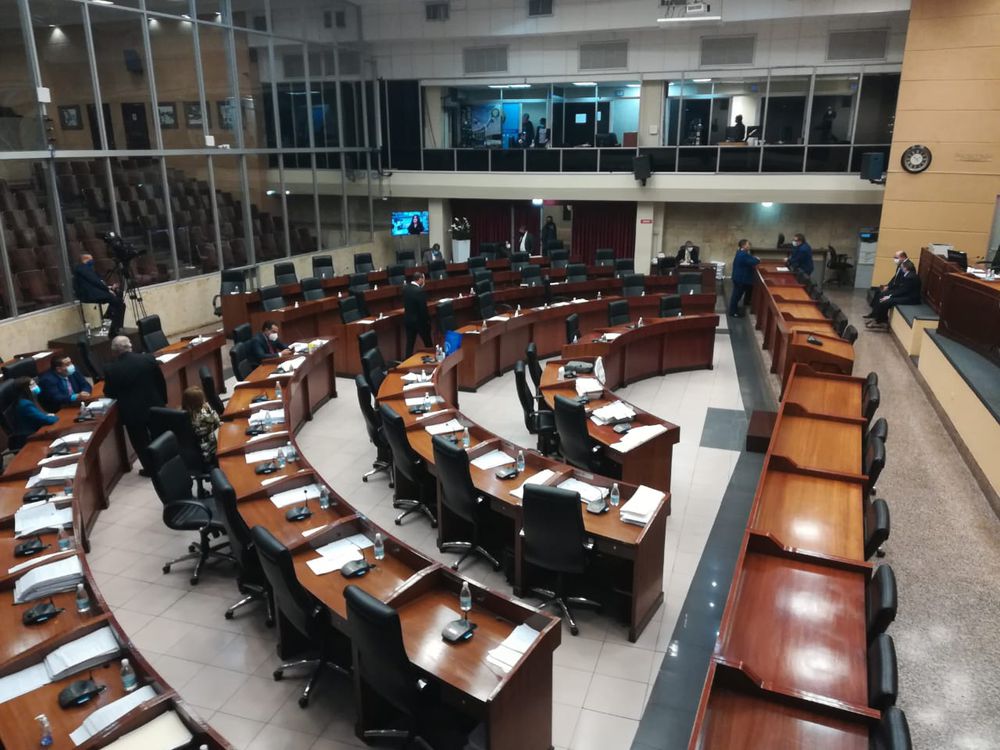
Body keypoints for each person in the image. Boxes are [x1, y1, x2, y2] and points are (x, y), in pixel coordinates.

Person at [103, 335, 167, 475]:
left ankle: (151, 469)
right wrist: (163, 402)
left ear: (114, 351)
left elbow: (109, 392)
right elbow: (160, 382)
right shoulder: (148, 359)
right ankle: (167, 462)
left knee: (140, 442)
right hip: (155, 405)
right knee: (160, 435)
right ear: (130, 347)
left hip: (132, 412)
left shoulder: (110, 369)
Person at [72, 253, 126, 337]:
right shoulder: (83, 269)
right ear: (84, 260)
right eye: (89, 259)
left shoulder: (88, 269)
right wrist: (108, 290)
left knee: (119, 299)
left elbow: (98, 283)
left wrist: (110, 287)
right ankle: (113, 325)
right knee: (118, 303)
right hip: (88, 295)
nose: (92, 261)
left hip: (94, 292)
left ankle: (111, 322)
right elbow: (96, 282)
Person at [868, 259, 921, 327]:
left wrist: (890, 296)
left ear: (906, 268)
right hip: (906, 295)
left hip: (911, 299)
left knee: (885, 301)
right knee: (883, 298)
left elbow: (903, 291)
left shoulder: (910, 277)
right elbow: (902, 290)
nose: (901, 269)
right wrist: (890, 295)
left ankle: (881, 321)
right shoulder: (909, 275)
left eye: (902, 267)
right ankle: (879, 319)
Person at [183, 386, 220, 465]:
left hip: (201, 446)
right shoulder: (202, 416)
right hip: (210, 449)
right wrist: (210, 409)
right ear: (199, 402)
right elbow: (218, 422)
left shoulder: (185, 415)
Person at [403, 272, 432, 357]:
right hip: (420, 322)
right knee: (428, 343)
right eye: (423, 279)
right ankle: (432, 360)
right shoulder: (419, 291)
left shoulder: (405, 289)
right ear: (420, 279)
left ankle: (407, 362)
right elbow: (423, 309)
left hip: (408, 320)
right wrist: (427, 321)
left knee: (410, 344)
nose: (424, 281)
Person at [729, 239, 760, 317]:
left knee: (747, 290)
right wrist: (757, 259)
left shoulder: (741, 252)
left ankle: (746, 302)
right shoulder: (743, 254)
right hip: (741, 279)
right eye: (748, 244)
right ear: (743, 246)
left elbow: (750, 259)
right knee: (736, 296)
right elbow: (753, 261)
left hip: (739, 278)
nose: (749, 246)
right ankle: (733, 312)